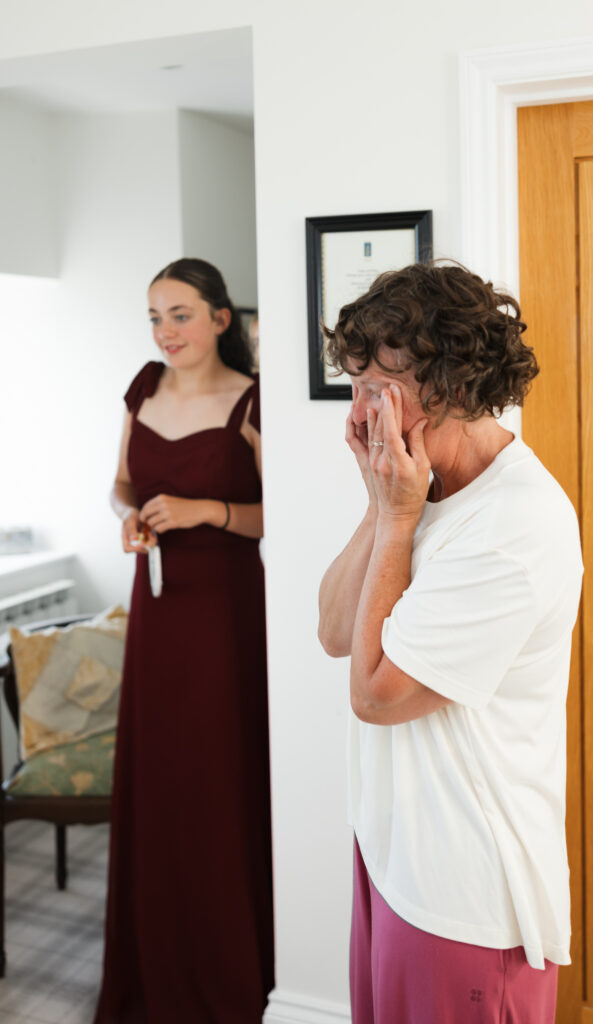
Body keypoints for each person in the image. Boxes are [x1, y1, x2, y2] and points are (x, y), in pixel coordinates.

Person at [318, 262, 583, 1024]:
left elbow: (374, 695)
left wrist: (396, 520)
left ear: (455, 385)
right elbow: (335, 631)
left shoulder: (513, 526)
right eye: (355, 383)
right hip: (395, 857)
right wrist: (382, 508)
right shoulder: (418, 487)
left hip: (464, 892)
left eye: (380, 385)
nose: (360, 410)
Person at [94, 258, 274, 1023]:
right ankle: (154, 963)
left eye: (180, 314)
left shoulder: (253, 401)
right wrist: (128, 517)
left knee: (217, 774)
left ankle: (234, 966)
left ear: (220, 320)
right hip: (157, 608)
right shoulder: (143, 388)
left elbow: (283, 514)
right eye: (155, 318)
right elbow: (121, 483)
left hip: (227, 612)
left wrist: (209, 512)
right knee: (160, 773)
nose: (166, 332)